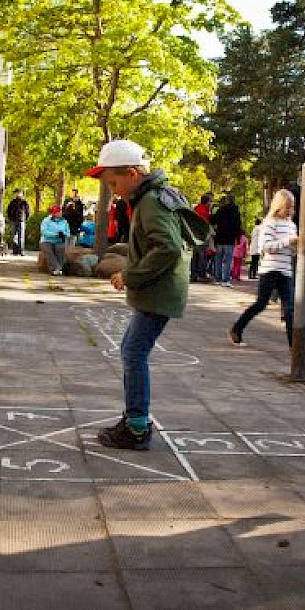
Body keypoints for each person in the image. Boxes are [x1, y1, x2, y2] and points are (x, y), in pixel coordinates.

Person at [86, 139, 209, 450]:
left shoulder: (151, 201)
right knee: (131, 349)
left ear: (132, 173)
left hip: (160, 291)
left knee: (133, 352)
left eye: (114, 182)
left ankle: (137, 427)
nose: (113, 190)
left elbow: (166, 247)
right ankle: (134, 420)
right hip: (161, 289)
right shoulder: (151, 197)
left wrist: (130, 274)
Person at [230, 191, 297, 347]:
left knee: (289, 308)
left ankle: (294, 345)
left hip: (286, 270)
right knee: (261, 303)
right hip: (270, 270)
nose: (290, 211)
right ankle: (237, 328)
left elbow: (291, 250)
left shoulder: (292, 225)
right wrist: (287, 242)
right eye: (287, 207)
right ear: (278, 206)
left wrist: (295, 246)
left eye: (292, 207)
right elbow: (265, 247)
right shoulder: (269, 224)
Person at [210, 193, 242, 286]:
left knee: (218, 259)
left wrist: (212, 211)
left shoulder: (221, 210)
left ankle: (217, 278)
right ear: (234, 200)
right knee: (228, 260)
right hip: (230, 238)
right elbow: (238, 226)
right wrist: (237, 238)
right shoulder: (236, 211)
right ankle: (226, 280)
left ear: (227, 200)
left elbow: (212, 220)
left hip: (219, 237)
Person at [39, 205, 71, 276]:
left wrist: (64, 234)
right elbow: (43, 231)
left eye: (59, 212)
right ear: (53, 213)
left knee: (61, 249)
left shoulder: (64, 221)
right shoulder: (46, 220)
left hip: (59, 241)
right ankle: (58, 268)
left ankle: (56, 270)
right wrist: (55, 234)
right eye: (56, 212)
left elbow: (68, 232)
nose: (58, 213)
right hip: (46, 240)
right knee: (48, 251)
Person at [190, 193, 213, 282]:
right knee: (202, 255)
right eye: (210, 201)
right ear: (207, 202)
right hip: (202, 236)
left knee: (195, 256)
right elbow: (206, 224)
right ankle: (201, 275)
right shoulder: (205, 210)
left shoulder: (196, 208)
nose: (211, 203)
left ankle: (193, 275)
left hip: (194, 235)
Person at [5, 188, 31, 255]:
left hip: (21, 221)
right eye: (17, 193)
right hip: (13, 221)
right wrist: (9, 218)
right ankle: (15, 251)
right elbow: (8, 211)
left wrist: (26, 219)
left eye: (19, 192)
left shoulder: (24, 202)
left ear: (22, 193)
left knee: (21, 236)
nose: (18, 194)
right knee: (14, 236)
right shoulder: (12, 202)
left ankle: (21, 251)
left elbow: (28, 211)